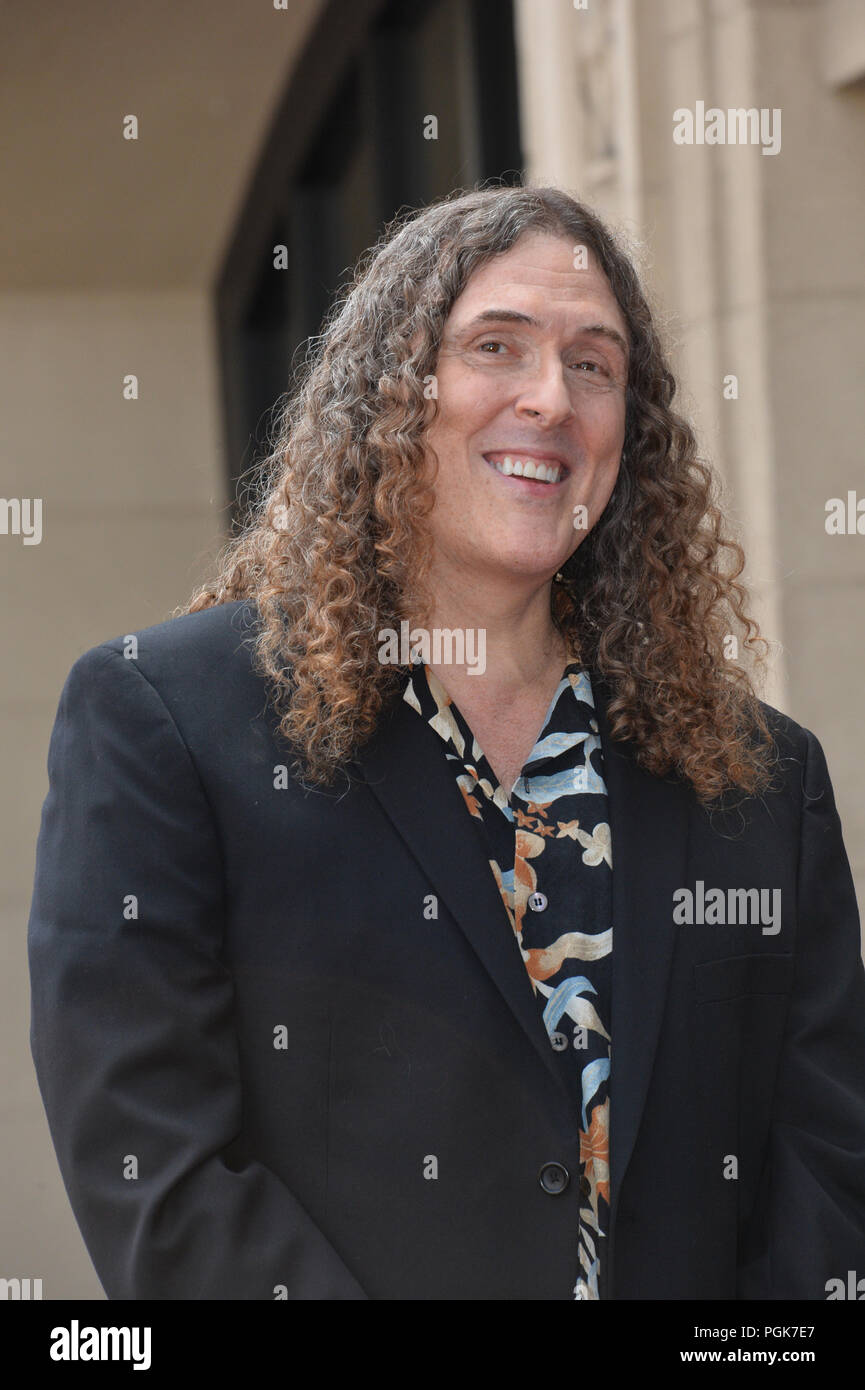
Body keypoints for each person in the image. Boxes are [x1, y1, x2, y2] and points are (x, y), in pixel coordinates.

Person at [28, 184, 865, 1300]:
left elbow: (825, 1175)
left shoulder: (758, 777)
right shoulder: (166, 720)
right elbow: (158, 1168)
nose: (548, 399)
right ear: (393, 393)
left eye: (593, 364)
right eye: (495, 345)